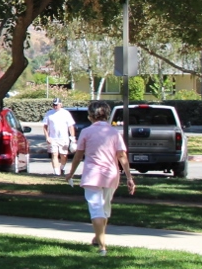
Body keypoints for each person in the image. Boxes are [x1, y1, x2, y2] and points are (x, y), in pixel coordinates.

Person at [64, 100, 134, 255]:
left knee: (96, 210)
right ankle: (98, 238)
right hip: (111, 175)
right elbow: (122, 156)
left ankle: (102, 247)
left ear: (90, 116)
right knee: (104, 209)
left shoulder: (86, 132)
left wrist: (71, 172)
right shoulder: (114, 132)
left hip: (92, 175)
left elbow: (78, 156)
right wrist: (129, 177)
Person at [41, 98, 77, 175]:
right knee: (54, 154)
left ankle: (62, 168)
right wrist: (47, 137)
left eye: (57, 105)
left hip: (64, 138)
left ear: (61, 104)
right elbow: (45, 126)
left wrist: (73, 138)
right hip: (53, 138)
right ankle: (56, 173)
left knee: (63, 155)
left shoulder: (66, 113)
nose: (55, 106)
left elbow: (70, 126)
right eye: (54, 105)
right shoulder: (49, 113)